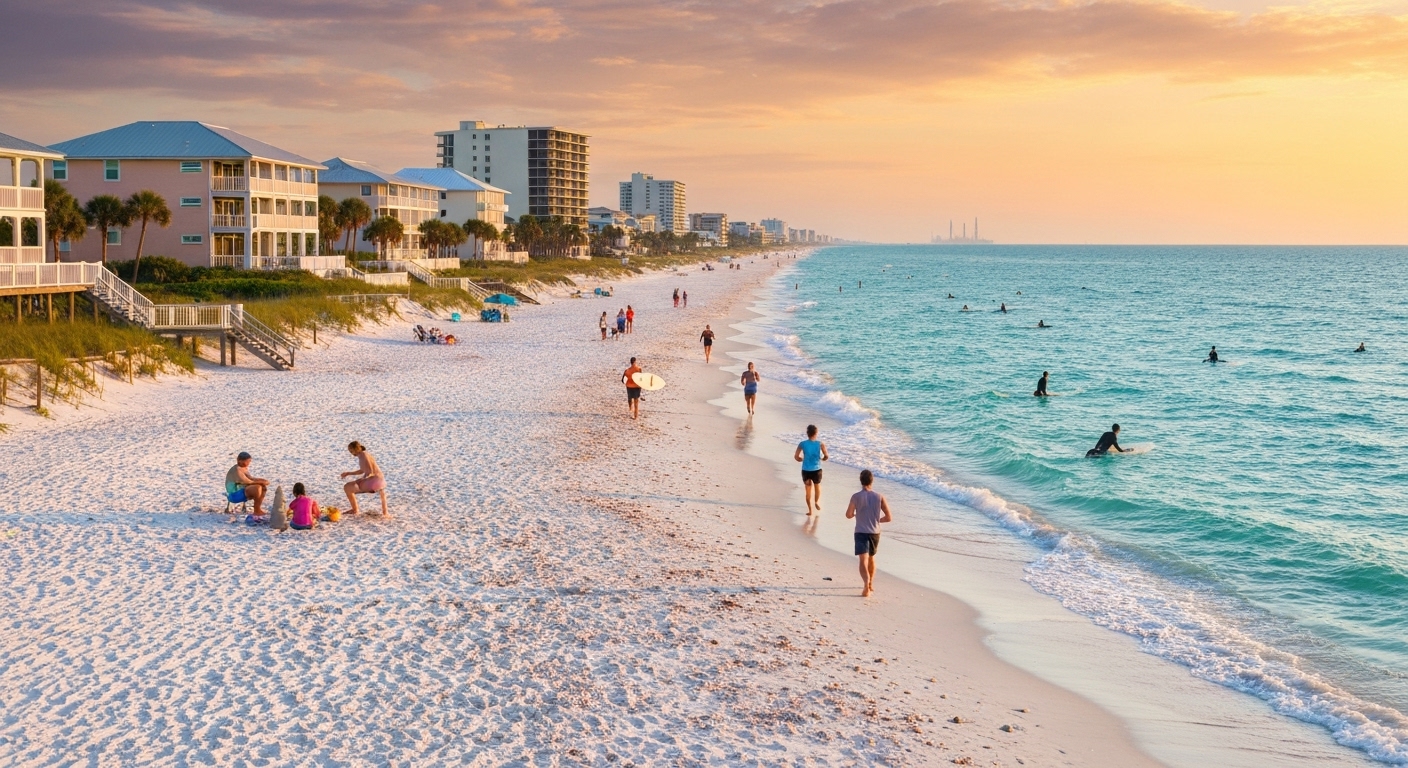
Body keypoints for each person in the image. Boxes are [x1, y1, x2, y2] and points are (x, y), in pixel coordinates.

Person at [846, 469, 893, 597]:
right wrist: (877, 520)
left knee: (863, 560)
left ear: (861, 481)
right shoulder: (879, 497)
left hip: (860, 531)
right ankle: (870, 583)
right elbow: (889, 517)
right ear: (872, 481)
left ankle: (866, 585)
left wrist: (857, 515)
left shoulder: (856, 497)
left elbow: (848, 514)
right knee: (871, 558)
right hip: (875, 532)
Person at [341, 441, 388, 516]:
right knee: (381, 492)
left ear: (356, 449)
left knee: (347, 487)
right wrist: (348, 473)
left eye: (351, 451)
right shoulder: (363, 455)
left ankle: (355, 510)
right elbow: (362, 470)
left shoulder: (363, 455)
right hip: (380, 480)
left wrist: (363, 479)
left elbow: (370, 471)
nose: (351, 453)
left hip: (373, 481)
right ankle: (385, 512)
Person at [793, 425, 829, 515]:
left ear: (807, 433)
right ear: (816, 433)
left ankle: (810, 510)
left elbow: (796, 457)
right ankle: (816, 502)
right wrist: (823, 459)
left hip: (806, 470)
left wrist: (801, 459)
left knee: (808, 491)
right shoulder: (820, 444)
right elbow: (826, 456)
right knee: (817, 487)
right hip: (817, 469)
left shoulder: (802, 444)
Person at [226, 452, 270, 516]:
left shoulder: (243, 468)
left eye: (249, 461)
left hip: (242, 491)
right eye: (246, 461)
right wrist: (260, 482)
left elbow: (251, 478)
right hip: (234, 494)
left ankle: (258, 508)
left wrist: (262, 481)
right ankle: (256, 510)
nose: (248, 463)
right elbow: (246, 481)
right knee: (257, 488)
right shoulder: (237, 469)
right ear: (239, 460)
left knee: (262, 487)